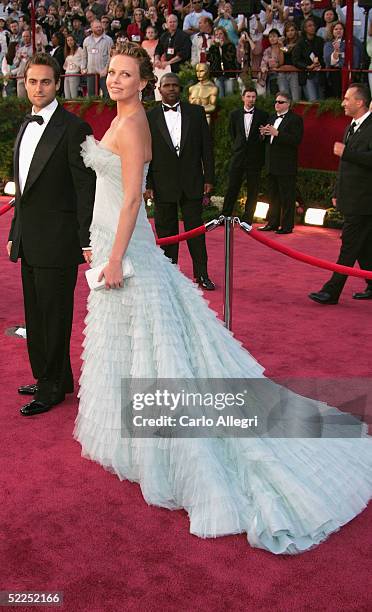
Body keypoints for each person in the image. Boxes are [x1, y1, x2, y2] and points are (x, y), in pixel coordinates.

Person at [74, 42, 372, 556]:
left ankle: (169, 451)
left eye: (126, 74)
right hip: (110, 243)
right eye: (112, 73)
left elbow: (128, 200)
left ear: (145, 81)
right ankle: (139, 442)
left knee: (155, 347)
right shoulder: (125, 119)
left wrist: (118, 256)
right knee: (133, 343)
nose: (115, 81)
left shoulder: (134, 123)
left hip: (126, 249)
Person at [6, 52, 96, 416]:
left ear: (57, 83)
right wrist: (16, 230)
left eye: (45, 81)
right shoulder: (26, 125)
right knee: (36, 314)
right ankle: (50, 375)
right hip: (30, 236)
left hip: (59, 239)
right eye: (32, 81)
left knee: (54, 315)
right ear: (24, 83)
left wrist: (87, 239)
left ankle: (52, 388)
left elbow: (85, 190)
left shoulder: (74, 128)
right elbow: (23, 189)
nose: (38, 88)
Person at [145, 72, 215, 290]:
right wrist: (147, 184)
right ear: (160, 89)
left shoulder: (196, 112)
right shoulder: (149, 116)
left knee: (196, 232)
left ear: (181, 88)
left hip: (192, 181)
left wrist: (209, 178)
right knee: (166, 233)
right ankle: (169, 275)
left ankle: (201, 274)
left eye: (175, 85)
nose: (172, 88)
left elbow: (207, 148)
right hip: (162, 182)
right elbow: (145, 153)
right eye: (167, 85)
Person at [309, 83, 372, 305]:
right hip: (353, 198)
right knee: (364, 246)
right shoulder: (351, 126)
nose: (343, 103)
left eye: (347, 99)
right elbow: (344, 166)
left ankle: (331, 291)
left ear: (360, 102)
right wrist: (338, 190)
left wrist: (348, 152)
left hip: (365, 201)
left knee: (349, 245)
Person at [222, 87, 269, 223]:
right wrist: (238, 146)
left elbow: (264, 137)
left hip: (255, 157)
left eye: (253, 97)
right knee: (232, 187)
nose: (251, 99)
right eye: (248, 96)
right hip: (238, 156)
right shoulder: (234, 114)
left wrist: (261, 136)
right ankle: (225, 215)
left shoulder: (263, 115)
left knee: (253, 189)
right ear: (243, 97)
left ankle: (247, 218)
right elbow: (232, 133)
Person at [259, 91, 304, 234]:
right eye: (276, 101)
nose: (276, 104)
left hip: (286, 165)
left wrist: (277, 133)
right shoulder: (271, 117)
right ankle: (272, 223)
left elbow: (295, 140)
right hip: (271, 164)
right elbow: (268, 141)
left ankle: (287, 226)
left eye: (280, 102)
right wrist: (263, 134)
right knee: (273, 196)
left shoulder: (295, 119)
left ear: (288, 104)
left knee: (287, 197)